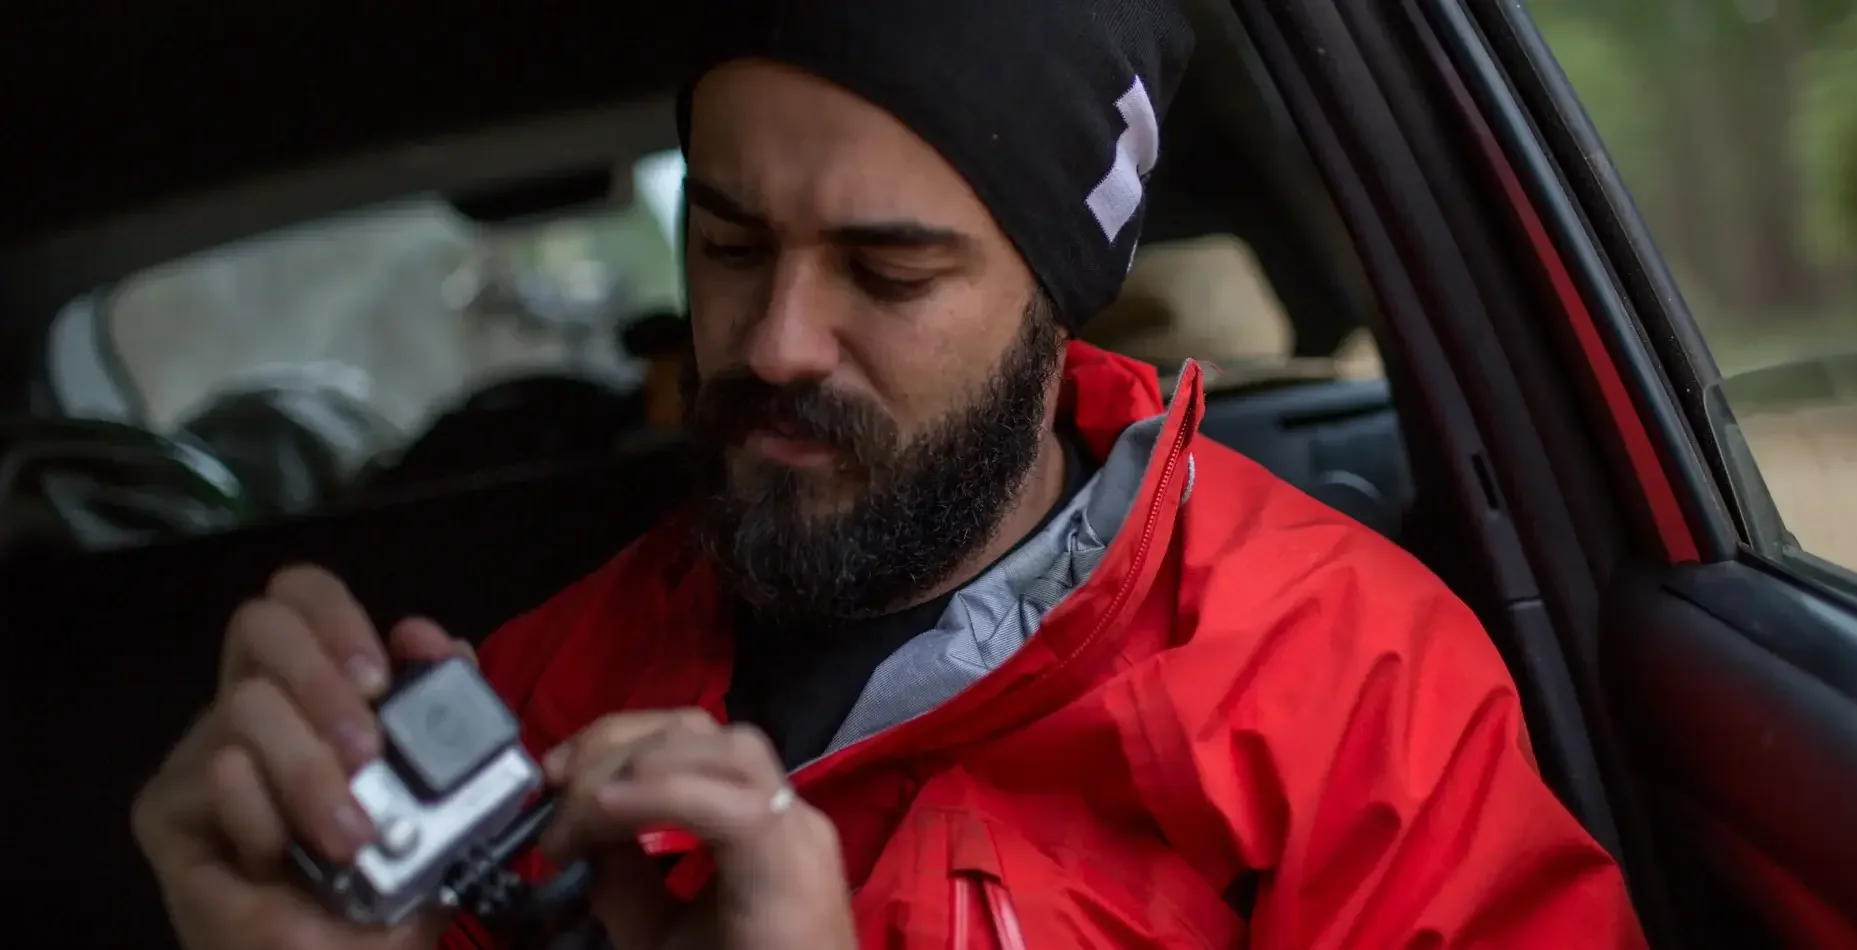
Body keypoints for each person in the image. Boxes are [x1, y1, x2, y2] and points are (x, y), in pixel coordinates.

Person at [129, 1, 1650, 947]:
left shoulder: (1355, 685)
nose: (778, 339)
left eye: (889, 270)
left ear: (1060, 301)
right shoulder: (532, 706)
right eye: (727, 245)